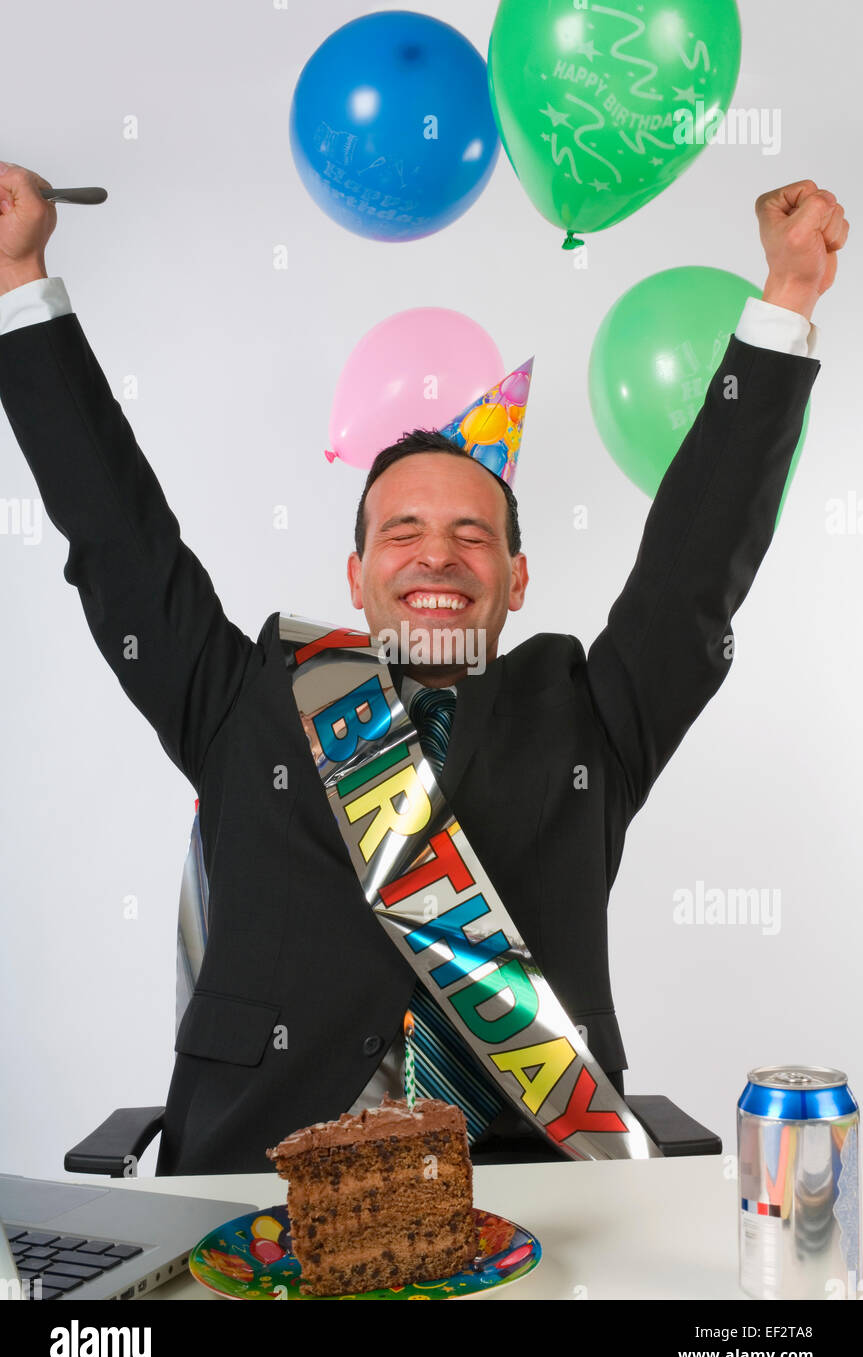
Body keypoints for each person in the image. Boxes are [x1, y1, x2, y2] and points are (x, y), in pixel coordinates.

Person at [0, 163, 848, 1173]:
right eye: (402, 531)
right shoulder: (242, 700)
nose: (436, 556)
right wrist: (20, 282)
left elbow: (693, 567)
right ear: (356, 575)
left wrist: (786, 297)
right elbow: (117, 536)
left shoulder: (591, 716)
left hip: (533, 1197)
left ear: (518, 577)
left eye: (470, 535)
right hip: (261, 1190)